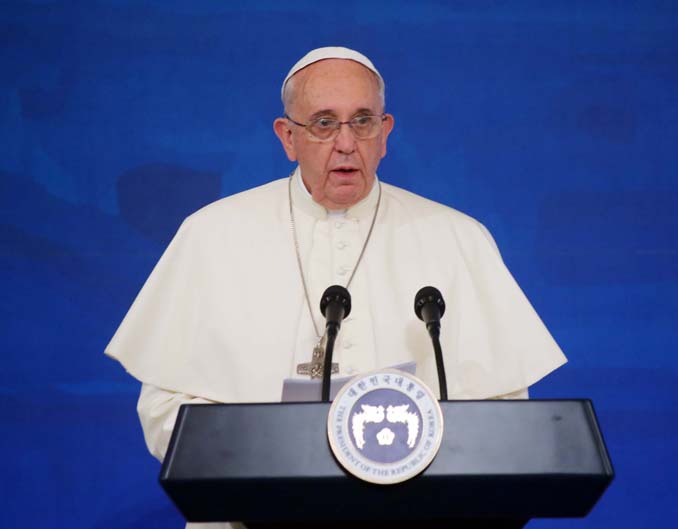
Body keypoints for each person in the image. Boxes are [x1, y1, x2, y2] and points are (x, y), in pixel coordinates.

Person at [106, 47, 566, 529]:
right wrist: (261, 459)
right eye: (324, 123)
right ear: (288, 137)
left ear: (385, 133)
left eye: (362, 121)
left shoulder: (456, 237)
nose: (346, 142)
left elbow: (506, 411)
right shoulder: (211, 235)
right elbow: (166, 413)